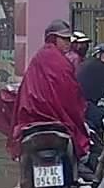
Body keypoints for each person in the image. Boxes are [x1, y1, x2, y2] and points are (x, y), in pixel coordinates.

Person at [9, 19, 91, 164]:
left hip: (33, 121)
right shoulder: (60, 61)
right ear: (53, 38)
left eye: (69, 39)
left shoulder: (39, 58)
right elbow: (71, 96)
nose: (68, 43)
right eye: (63, 39)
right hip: (57, 119)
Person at [78, 43, 104, 129]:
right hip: (86, 106)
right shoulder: (100, 67)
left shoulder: (88, 63)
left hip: (81, 104)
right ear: (98, 55)